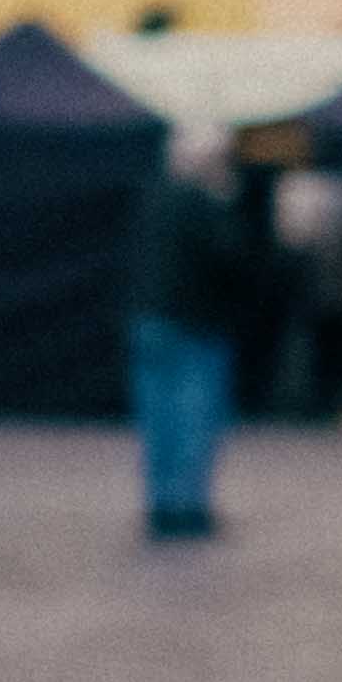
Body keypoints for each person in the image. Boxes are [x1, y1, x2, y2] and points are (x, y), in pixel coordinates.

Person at [124, 129, 251, 540]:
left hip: (149, 319)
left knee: (157, 418)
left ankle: (161, 502)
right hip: (195, 323)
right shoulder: (205, 202)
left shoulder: (154, 197)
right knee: (194, 416)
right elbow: (231, 256)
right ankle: (188, 505)